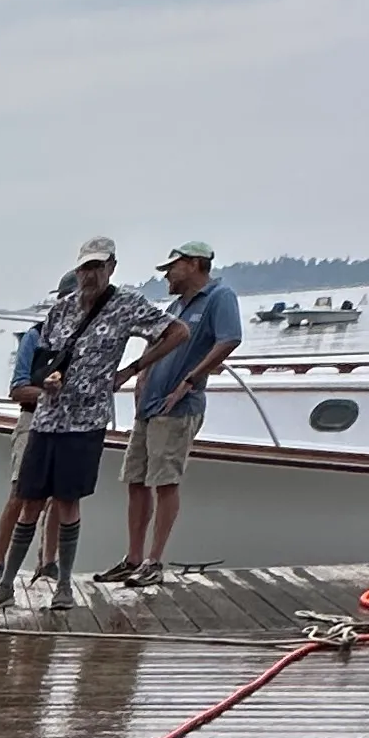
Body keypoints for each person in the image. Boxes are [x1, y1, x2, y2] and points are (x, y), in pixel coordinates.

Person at [0, 237, 166, 610]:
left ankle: (64, 586)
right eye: (85, 267)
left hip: (85, 422)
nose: (90, 274)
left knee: (68, 502)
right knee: (30, 500)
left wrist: (131, 369)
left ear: (111, 266)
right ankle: (5, 585)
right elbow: (43, 363)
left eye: (97, 266)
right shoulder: (60, 310)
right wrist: (46, 380)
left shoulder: (127, 305)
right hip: (47, 419)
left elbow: (176, 331)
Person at [103, 241, 241, 582]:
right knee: (136, 479)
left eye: (172, 268)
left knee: (165, 481)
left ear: (194, 264)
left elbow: (229, 339)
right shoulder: (177, 305)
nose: (167, 275)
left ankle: (154, 561)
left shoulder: (219, 297)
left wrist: (192, 379)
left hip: (177, 408)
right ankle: (133, 558)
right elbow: (158, 341)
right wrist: (140, 375)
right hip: (149, 406)